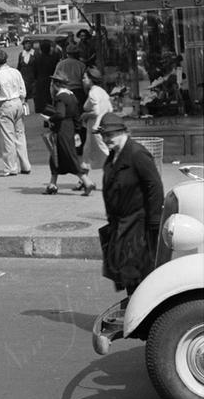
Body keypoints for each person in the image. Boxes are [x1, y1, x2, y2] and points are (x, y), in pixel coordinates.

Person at [96, 113, 164, 296]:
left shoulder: (137, 153)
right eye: (103, 135)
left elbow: (154, 185)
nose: (105, 139)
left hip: (137, 224)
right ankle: (134, 310)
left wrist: (155, 222)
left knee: (136, 272)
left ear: (123, 132)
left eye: (109, 135)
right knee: (126, 272)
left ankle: (141, 313)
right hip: (121, 224)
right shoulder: (114, 155)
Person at [42, 72, 94, 196]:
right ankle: (52, 184)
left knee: (68, 157)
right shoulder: (72, 96)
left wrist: (49, 119)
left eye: (53, 83)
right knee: (55, 156)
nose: (52, 85)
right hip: (70, 128)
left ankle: (87, 182)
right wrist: (76, 131)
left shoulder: (60, 97)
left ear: (57, 84)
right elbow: (77, 116)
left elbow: (60, 114)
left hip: (62, 130)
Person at [0, 48, 32, 176]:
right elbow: (23, 91)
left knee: (8, 137)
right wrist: (22, 102)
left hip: (5, 104)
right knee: (20, 135)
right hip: (18, 102)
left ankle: (11, 167)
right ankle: (25, 165)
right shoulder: (15, 72)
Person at [80, 67, 114, 190]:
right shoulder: (102, 92)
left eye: (85, 78)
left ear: (91, 79)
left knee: (105, 152)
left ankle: (115, 176)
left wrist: (86, 115)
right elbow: (110, 109)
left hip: (95, 129)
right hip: (97, 128)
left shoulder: (93, 92)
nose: (83, 80)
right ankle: (83, 180)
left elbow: (96, 110)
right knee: (87, 153)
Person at [33, 39, 60, 113]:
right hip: (52, 80)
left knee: (42, 101)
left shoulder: (37, 58)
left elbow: (34, 71)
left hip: (40, 81)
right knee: (51, 100)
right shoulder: (54, 57)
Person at [17, 38, 37, 108]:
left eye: (29, 43)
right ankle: (24, 108)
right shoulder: (21, 54)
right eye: (26, 44)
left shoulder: (35, 53)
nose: (28, 45)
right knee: (24, 93)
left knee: (35, 93)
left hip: (33, 76)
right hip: (24, 77)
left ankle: (37, 108)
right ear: (24, 45)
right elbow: (19, 66)